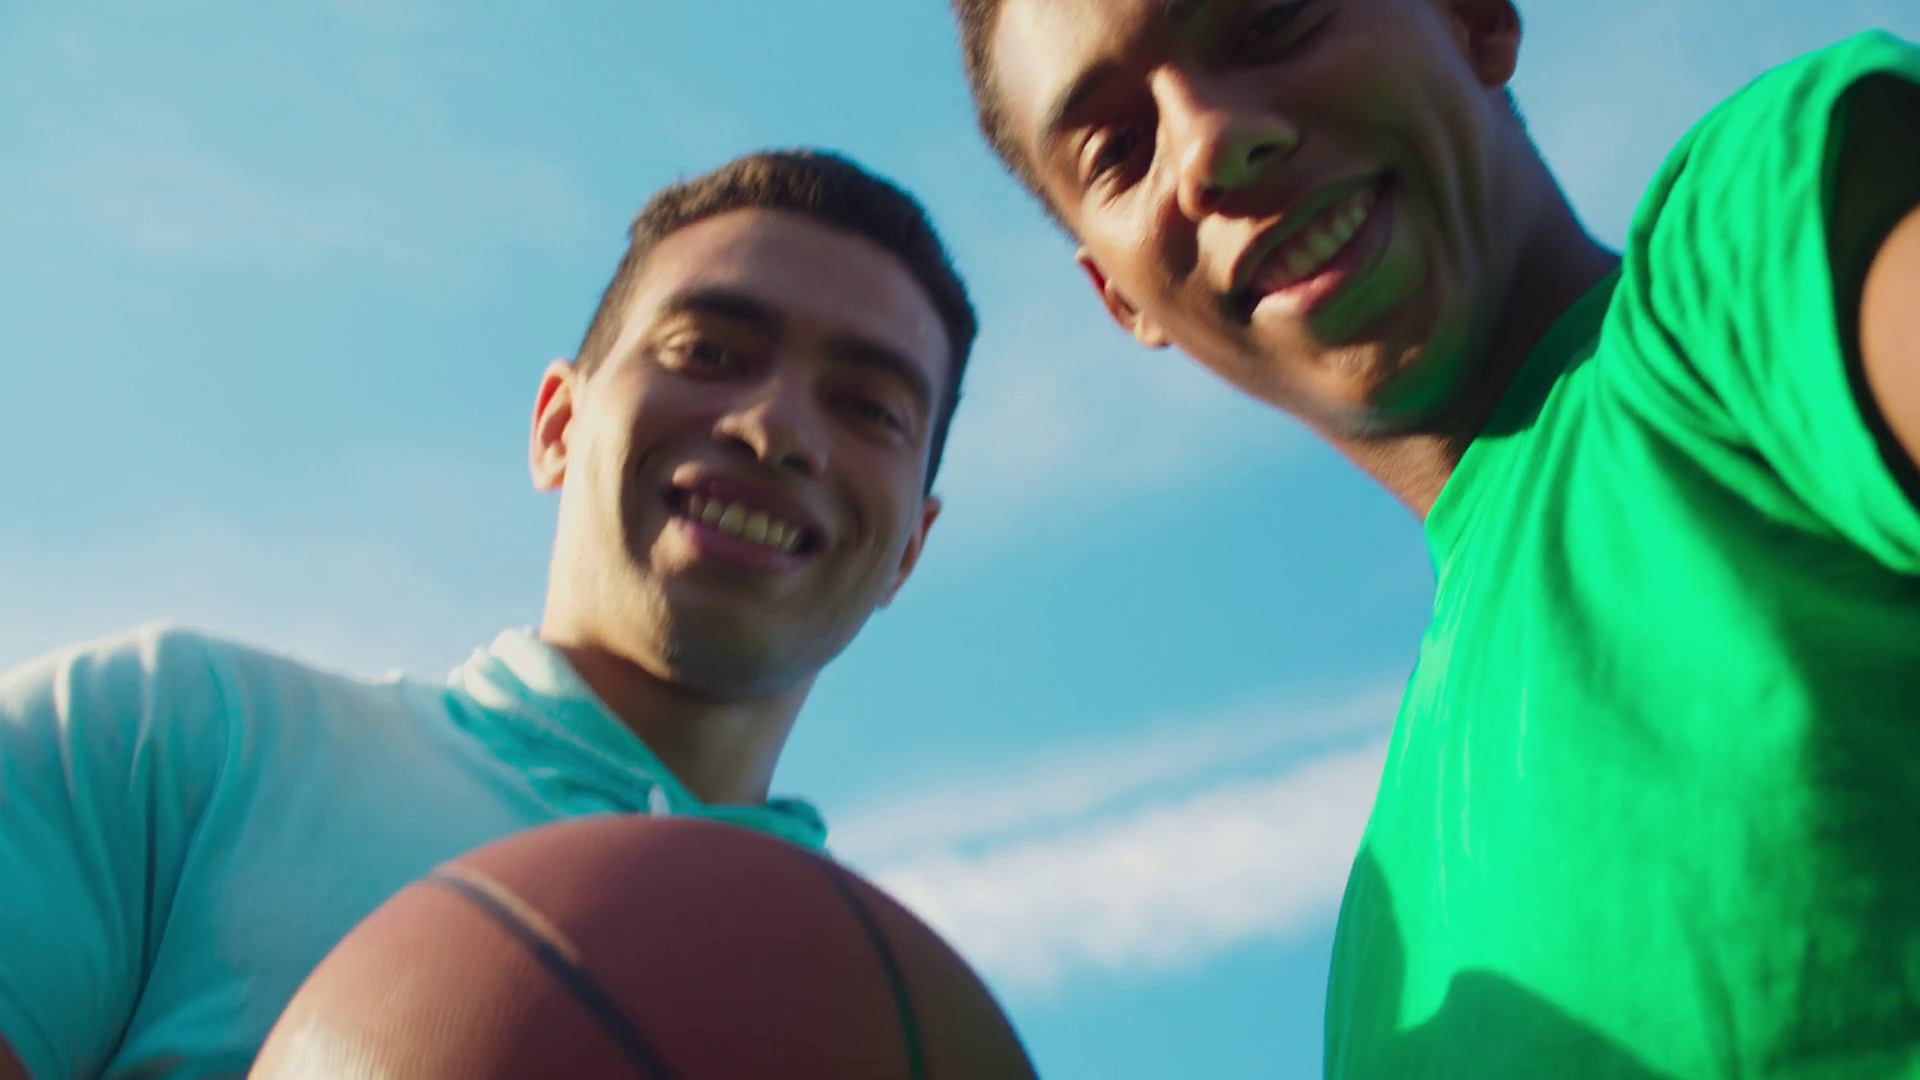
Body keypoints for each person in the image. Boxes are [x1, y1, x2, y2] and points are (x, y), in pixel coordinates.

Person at [947, 0, 1920, 1074]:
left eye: (1269, 23)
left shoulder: (1750, 254)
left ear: (1474, 19)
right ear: (1117, 296)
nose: (1207, 147)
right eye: (1120, 150)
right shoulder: (1380, 950)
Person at [0, 148, 976, 1080]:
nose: (773, 429)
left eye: (869, 408)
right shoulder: (171, 739)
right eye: (708, 351)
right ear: (558, 425)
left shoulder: (916, 1026)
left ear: (909, 551)